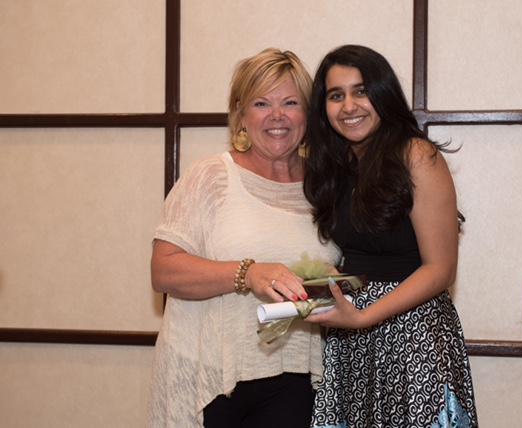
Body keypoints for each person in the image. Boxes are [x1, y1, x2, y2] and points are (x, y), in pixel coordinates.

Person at [146, 48, 341, 428]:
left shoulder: (325, 185)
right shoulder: (211, 176)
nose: (277, 116)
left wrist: (327, 284)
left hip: (295, 375)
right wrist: (248, 273)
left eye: (290, 102)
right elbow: (163, 272)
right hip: (209, 376)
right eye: (261, 102)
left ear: (308, 113)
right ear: (241, 114)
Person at [303, 45, 478, 427]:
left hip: (412, 336)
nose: (349, 105)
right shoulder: (341, 165)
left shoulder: (416, 155)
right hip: (353, 336)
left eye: (361, 90)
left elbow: (441, 269)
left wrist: (364, 316)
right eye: (336, 96)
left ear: (383, 94)